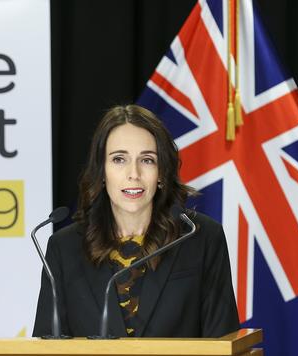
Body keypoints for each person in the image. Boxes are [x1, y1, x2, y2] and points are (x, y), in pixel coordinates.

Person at [32, 105, 239, 338]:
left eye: (147, 160)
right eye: (119, 159)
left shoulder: (201, 237)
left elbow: (224, 342)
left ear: (161, 173)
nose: (134, 173)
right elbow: (45, 348)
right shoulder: (64, 248)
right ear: (102, 171)